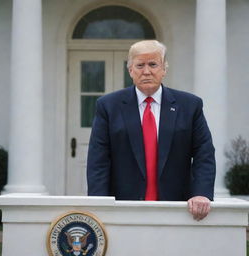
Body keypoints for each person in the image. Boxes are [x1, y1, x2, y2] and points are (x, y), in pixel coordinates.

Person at [87, 40, 216, 221]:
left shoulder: (190, 105)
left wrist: (201, 193)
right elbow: (98, 159)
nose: (146, 71)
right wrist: (98, 204)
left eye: (153, 64)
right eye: (140, 65)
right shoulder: (108, 106)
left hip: (178, 207)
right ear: (130, 70)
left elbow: (204, 153)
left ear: (164, 68)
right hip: (122, 207)